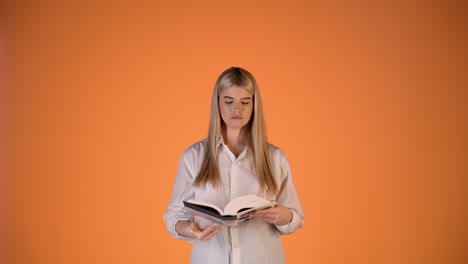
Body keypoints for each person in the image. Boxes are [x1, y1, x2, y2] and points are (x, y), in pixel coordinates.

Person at [164, 67, 304, 264]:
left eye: (245, 102)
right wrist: (191, 230)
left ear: (254, 105)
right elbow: (175, 214)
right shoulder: (194, 157)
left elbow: (295, 217)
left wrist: (283, 216)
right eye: (228, 102)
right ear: (218, 103)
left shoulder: (274, 158)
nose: (236, 109)